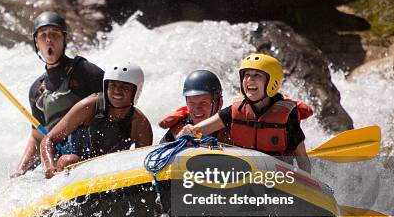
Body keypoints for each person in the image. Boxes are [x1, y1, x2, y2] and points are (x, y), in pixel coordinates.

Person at [179, 54, 313, 172]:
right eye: (246, 75)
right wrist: (188, 132)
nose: (250, 80)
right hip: (243, 174)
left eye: (257, 75)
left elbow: (303, 161)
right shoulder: (234, 111)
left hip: (276, 178)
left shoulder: (287, 116)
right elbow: (199, 130)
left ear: (272, 81)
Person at [11, 11, 104, 178]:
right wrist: (19, 171)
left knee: (71, 158)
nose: (49, 39)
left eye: (54, 34)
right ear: (36, 43)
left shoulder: (84, 70)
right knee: (23, 176)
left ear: (64, 39)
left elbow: (117, 99)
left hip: (88, 148)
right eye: (43, 35)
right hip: (57, 156)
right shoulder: (36, 90)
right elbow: (38, 136)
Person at [40, 62, 153, 178]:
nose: (117, 91)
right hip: (72, 168)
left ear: (136, 91)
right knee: (70, 160)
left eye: (125, 87)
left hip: (110, 173)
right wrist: (50, 166)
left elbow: (143, 166)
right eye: (112, 85)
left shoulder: (140, 123)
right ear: (106, 87)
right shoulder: (88, 106)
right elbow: (48, 139)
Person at [158, 70, 230, 144]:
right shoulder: (178, 129)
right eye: (191, 103)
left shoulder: (230, 126)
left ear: (220, 103)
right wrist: (180, 140)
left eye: (203, 102)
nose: (197, 108)